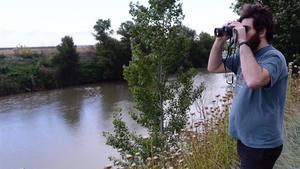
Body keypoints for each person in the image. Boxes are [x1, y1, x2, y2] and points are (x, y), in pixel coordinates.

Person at [207, 3, 288, 169]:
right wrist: (220, 40)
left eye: (246, 29)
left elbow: (253, 80)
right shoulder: (244, 56)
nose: (240, 34)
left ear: (262, 31)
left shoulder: (274, 58)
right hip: (246, 139)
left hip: (262, 144)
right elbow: (213, 67)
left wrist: (242, 41)